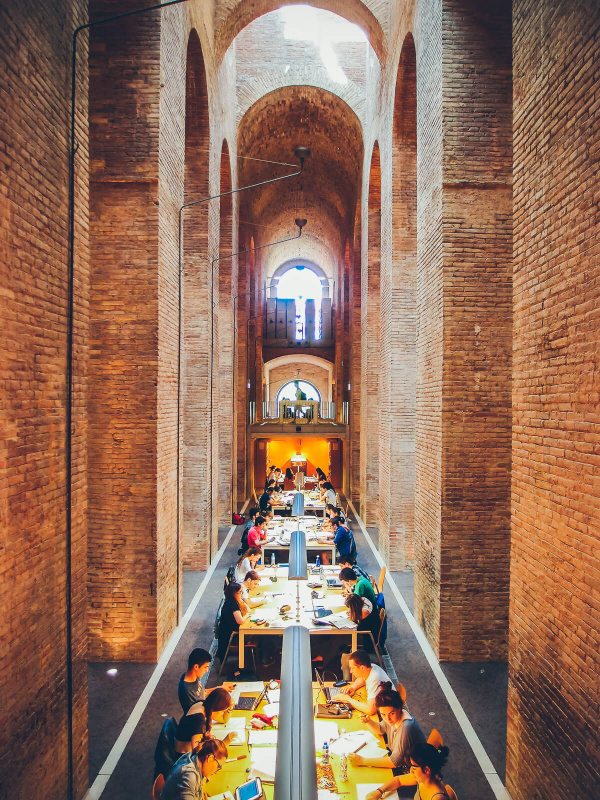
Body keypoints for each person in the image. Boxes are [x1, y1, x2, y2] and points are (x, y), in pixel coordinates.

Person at [350, 682, 426, 789]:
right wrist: (369, 722)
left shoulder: (406, 727)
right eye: (383, 714)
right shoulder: (393, 717)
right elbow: (381, 729)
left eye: (392, 713)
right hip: (399, 761)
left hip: (411, 771)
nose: (388, 718)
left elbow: (394, 762)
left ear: (400, 708)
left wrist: (363, 761)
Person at [365, 741, 450, 800]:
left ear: (427, 770)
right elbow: (398, 780)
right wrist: (380, 791)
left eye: (414, 767)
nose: (411, 771)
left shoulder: (438, 798)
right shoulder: (425, 778)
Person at [160, 737, 228, 800]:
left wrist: (200, 791)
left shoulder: (195, 757)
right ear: (210, 759)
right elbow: (190, 781)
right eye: (218, 766)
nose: (216, 772)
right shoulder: (190, 775)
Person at [174, 688, 236, 756]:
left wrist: (230, 705)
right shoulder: (198, 721)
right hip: (183, 757)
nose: (222, 714)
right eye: (222, 711)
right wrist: (224, 743)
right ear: (216, 708)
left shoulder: (202, 703)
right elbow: (198, 754)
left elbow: (224, 720)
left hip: (186, 750)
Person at [333, 649, 391, 715]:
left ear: (362, 668)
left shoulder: (375, 679)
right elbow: (363, 679)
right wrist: (353, 687)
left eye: (352, 668)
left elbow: (370, 710)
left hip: (388, 713)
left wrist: (348, 700)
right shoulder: (372, 667)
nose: (351, 671)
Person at [217, 582, 251, 662]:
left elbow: (248, 609)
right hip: (232, 636)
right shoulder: (232, 604)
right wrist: (247, 616)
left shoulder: (230, 601)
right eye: (240, 592)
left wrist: (241, 601)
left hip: (228, 634)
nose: (242, 594)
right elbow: (240, 621)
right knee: (256, 636)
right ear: (234, 594)